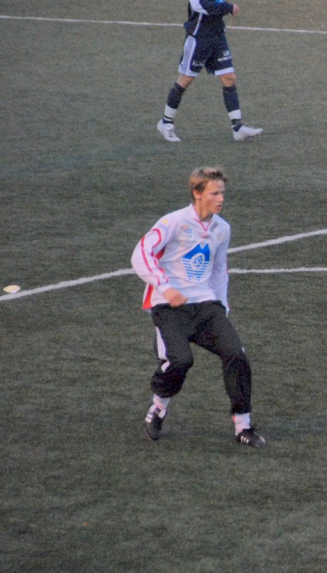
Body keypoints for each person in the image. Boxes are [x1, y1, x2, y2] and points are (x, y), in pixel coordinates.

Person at [131, 166, 266, 448]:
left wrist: (222, 307)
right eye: (214, 193)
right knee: (180, 361)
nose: (221, 199)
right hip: (169, 307)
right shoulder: (174, 221)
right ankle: (158, 407)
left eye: (222, 193)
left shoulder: (222, 228)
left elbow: (218, 270)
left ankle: (243, 425)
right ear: (197, 193)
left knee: (237, 355)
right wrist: (164, 286)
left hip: (206, 306)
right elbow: (140, 253)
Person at [157, 0, 263, 143]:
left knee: (229, 78)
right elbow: (198, 4)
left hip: (217, 36)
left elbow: (216, 4)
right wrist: (227, 8)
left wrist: (224, 9)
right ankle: (166, 123)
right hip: (199, 37)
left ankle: (237, 128)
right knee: (186, 79)